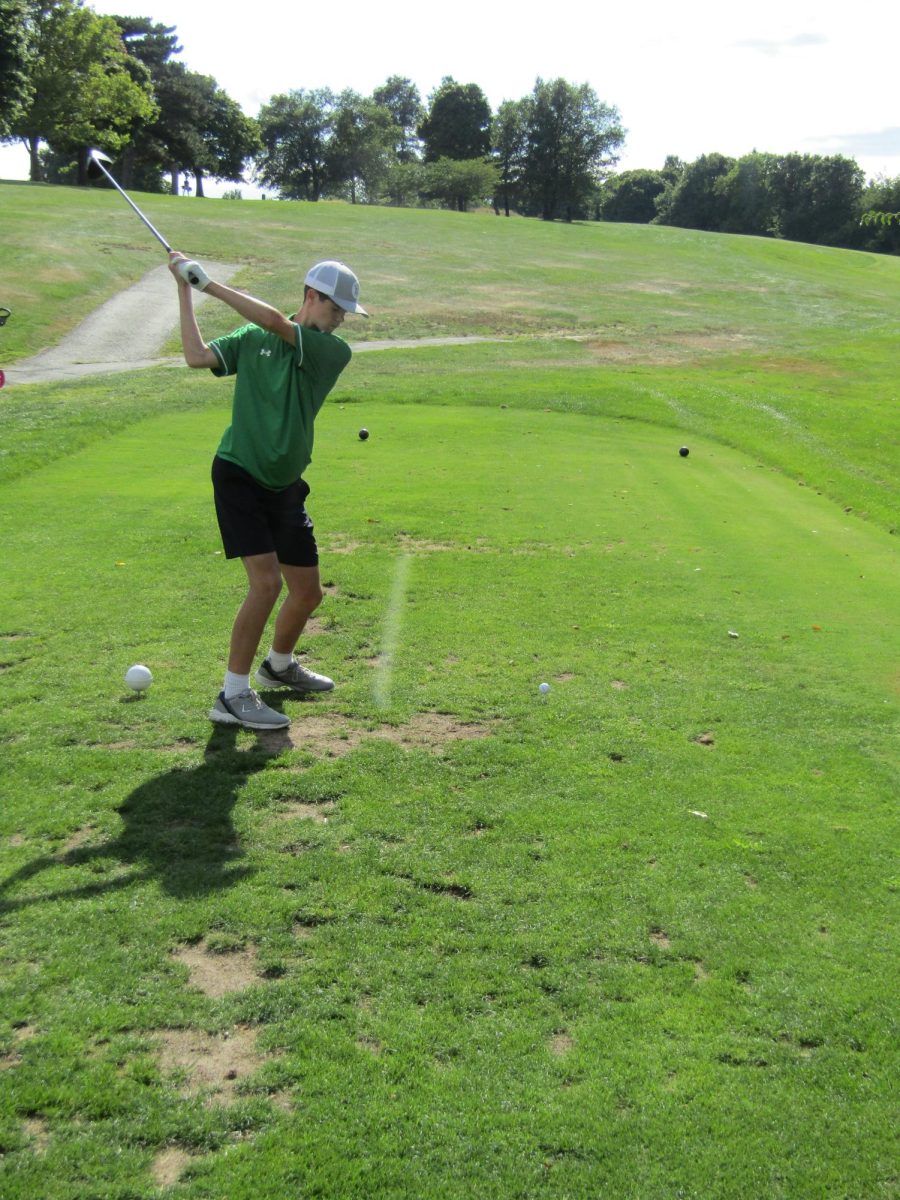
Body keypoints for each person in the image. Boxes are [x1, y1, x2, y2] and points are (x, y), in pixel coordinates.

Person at [168, 251, 368, 730]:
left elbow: (277, 321)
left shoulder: (329, 350)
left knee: (307, 592)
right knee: (266, 583)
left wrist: (207, 284)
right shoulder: (251, 337)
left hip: (284, 486)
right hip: (238, 473)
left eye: (344, 313)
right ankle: (232, 695)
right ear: (311, 296)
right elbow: (197, 357)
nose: (340, 320)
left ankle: (278, 666)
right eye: (335, 309)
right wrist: (183, 288)